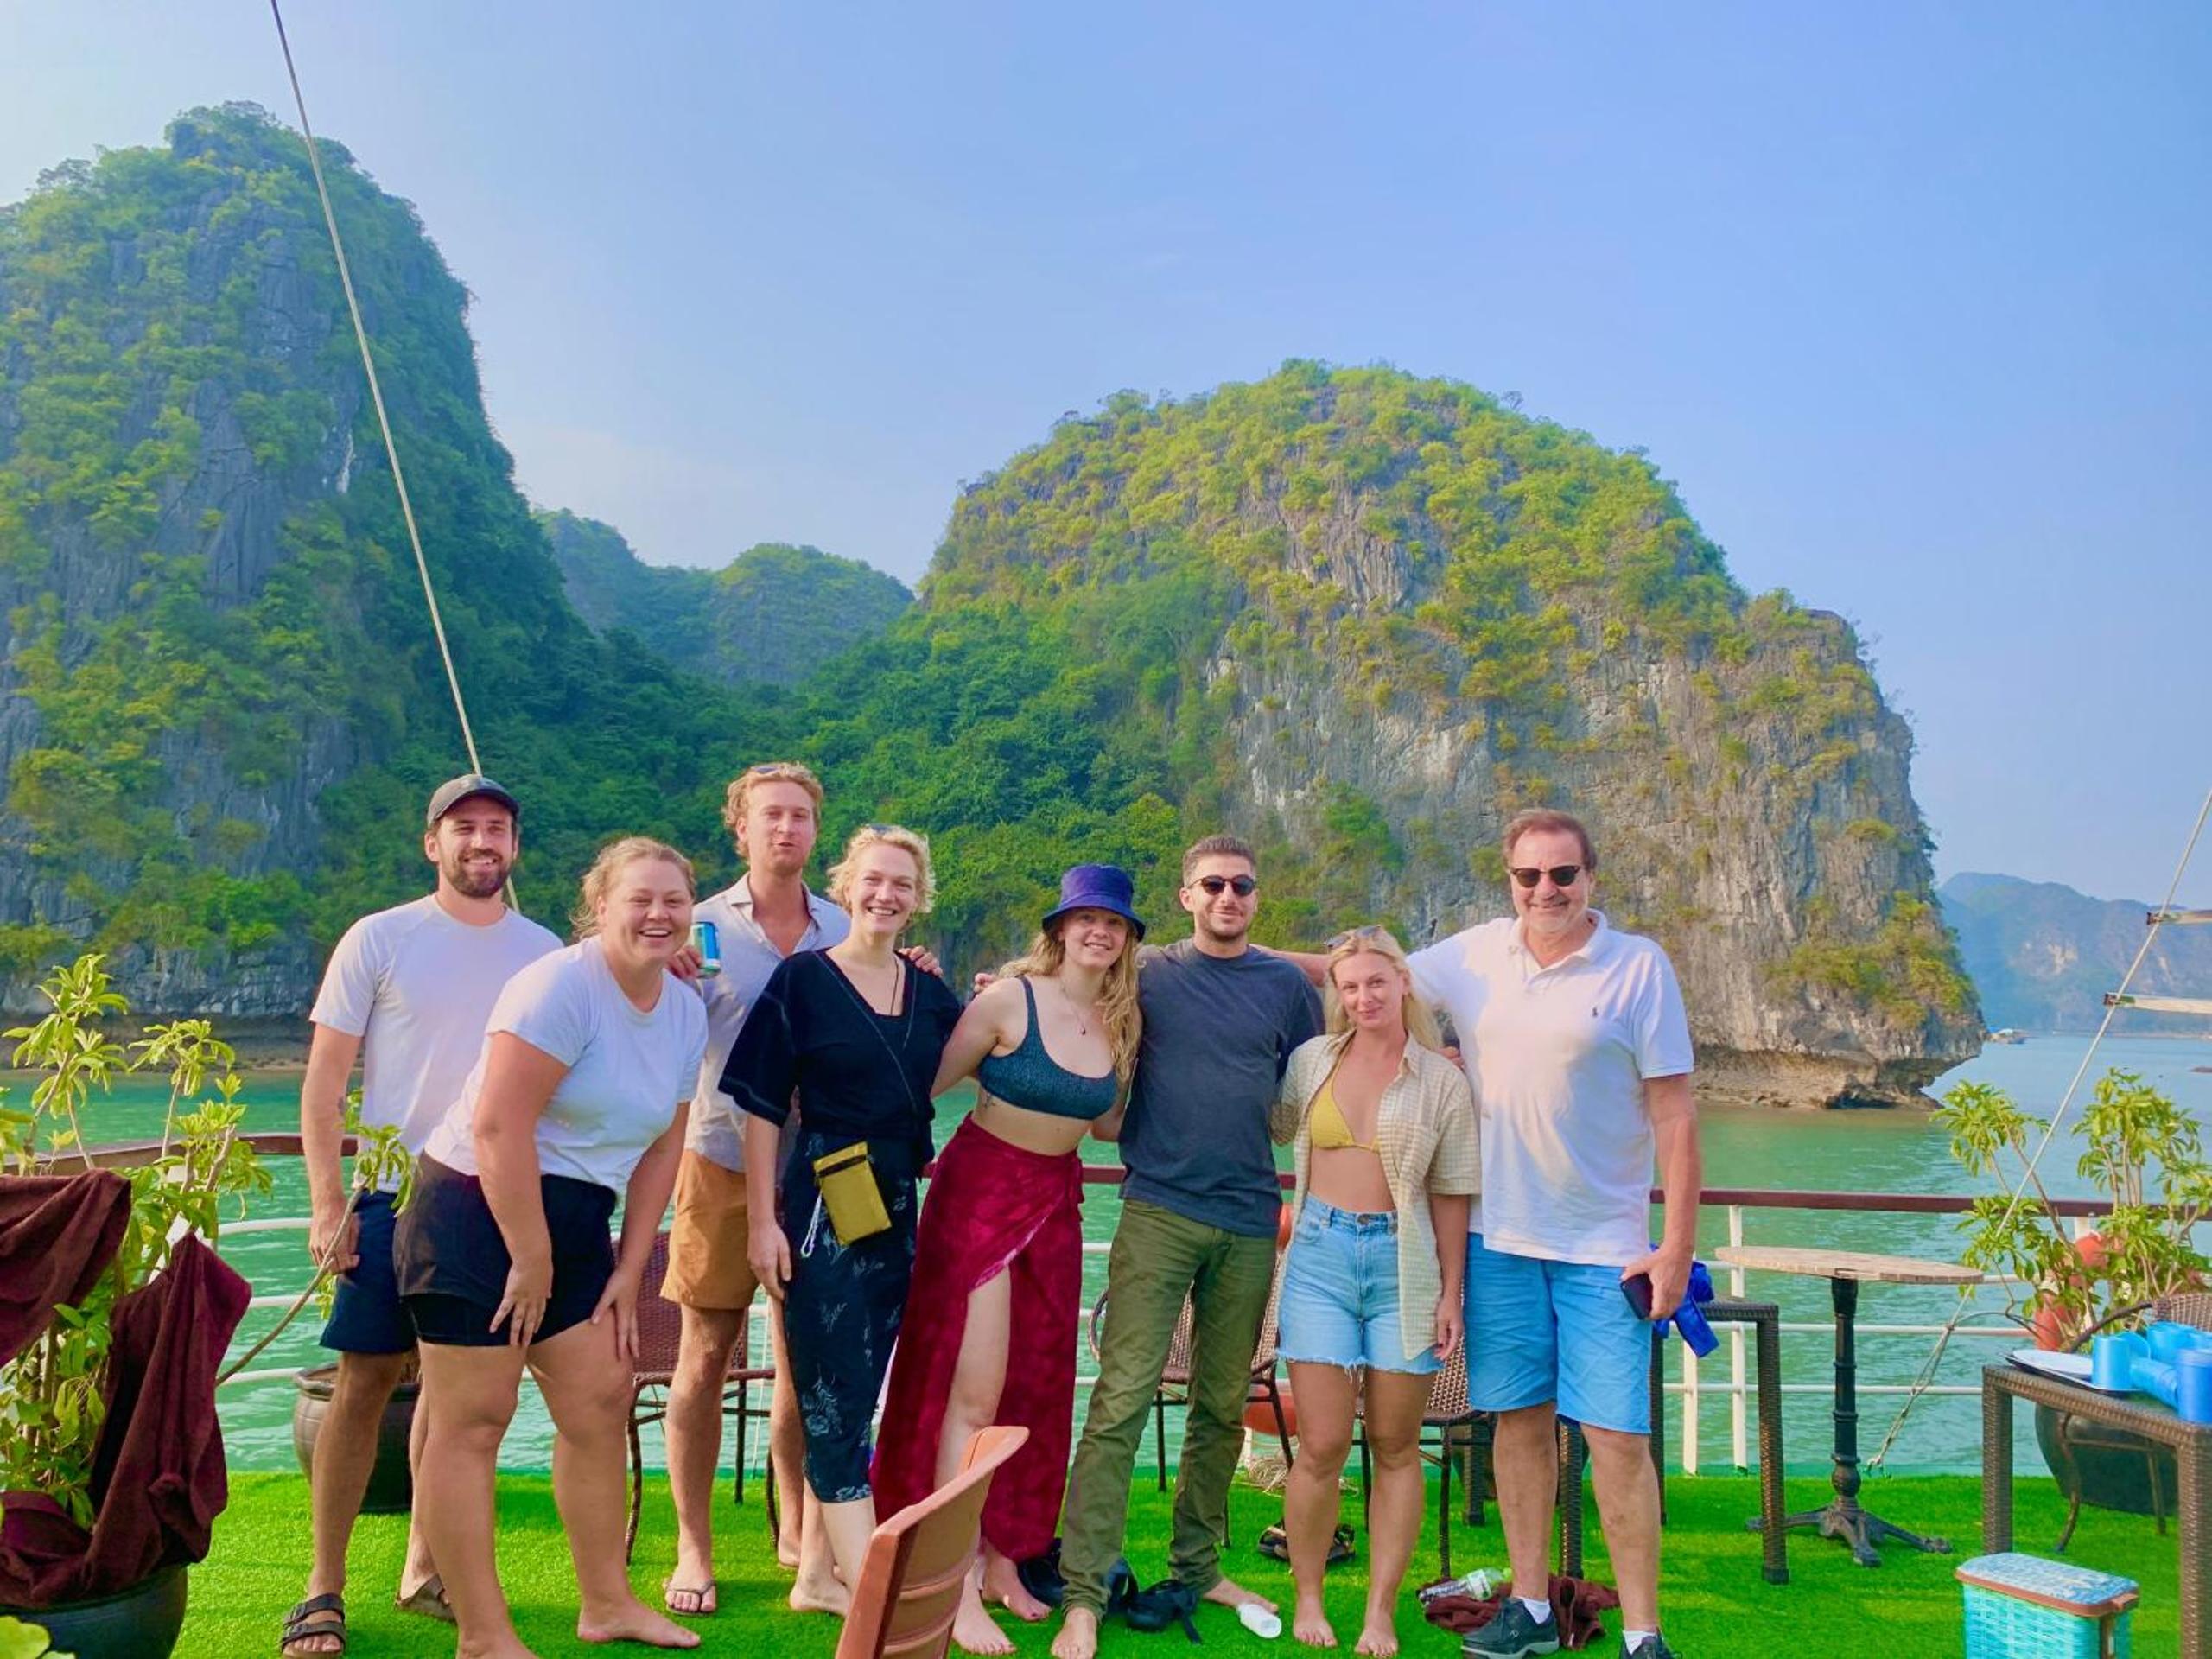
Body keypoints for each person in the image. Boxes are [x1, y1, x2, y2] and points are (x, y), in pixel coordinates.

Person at [393, 836, 709, 1659]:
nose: (658, 915)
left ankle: (607, 1603)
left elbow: (664, 1150)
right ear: (599, 907)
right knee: (474, 1421)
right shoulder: (559, 987)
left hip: (576, 1220)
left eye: (674, 900)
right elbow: (498, 1127)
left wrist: (629, 1266)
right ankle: (484, 1635)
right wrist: (529, 1260)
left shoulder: (685, 1010)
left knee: (599, 1403)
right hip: (473, 1211)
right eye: (639, 899)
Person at [1407, 809, 1699, 1659]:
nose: (1546, 890)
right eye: (1529, 876)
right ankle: (1529, 1606)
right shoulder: (1474, 955)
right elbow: (1365, 978)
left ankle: (1643, 1633)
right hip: (1497, 1239)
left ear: (1590, 878)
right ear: (1509, 882)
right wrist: (1219, 950)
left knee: (1616, 1439)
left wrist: (1676, 1247)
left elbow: (1675, 1115)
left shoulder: (1638, 966)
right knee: (1519, 1424)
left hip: (1606, 1249)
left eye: (1563, 874)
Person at [282, 774, 561, 1659]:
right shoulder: (380, 938)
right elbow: (325, 1084)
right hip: (391, 1192)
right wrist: (328, 1202)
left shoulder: (545, 953)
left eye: (498, 828)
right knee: (362, 1383)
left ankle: (424, 1569)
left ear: (514, 847)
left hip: (491, 1198)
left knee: (460, 1394)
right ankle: (322, 1585)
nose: (482, 842)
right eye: (464, 827)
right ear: (432, 843)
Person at [1053, 835, 1323, 1659]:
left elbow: (1317, 1083)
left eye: (1242, 885)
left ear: (1256, 896)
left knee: (1220, 1405)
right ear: (1186, 896)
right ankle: (1084, 1590)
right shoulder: (1148, 973)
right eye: (1212, 885)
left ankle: (1198, 1567)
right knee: (1120, 1401)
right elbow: (1066, 989)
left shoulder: (1285, 988)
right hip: (1158, 1210)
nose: (1227, 897)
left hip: (1249, 1218)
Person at [874, 864, 1145, 1656]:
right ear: (1060, 927)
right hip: (980, 1197)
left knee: (1037, 1387)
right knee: (975, 1391)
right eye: (1086, 918)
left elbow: (1105, 1127)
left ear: (1127, 939)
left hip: (1057, 1204)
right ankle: (951, 1581)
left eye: (1115, 923)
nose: (1099, 932)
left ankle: (1003, 1559)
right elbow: (922, 1083)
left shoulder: (1121, 1021)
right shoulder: (1007, 1001)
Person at [722, 823, 964, 1616]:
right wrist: (763, 1222)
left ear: (919, 899)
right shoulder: (803, 980)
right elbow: (760, 1106)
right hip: (823, 1199)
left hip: (896, 1204)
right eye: (873, 880)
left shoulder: (927, 993)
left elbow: (983, 1050)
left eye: (902, 884)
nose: (885, 895)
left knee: (860, 1389)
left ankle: (815, 1577)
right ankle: (870, 1592)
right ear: (846, 886)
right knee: (829, 1389)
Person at [661, 761, 847, 1616]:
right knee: (703, 1356)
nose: (785, 829)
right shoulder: (695, 926)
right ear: (740, 827)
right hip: (721, 1160)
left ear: (816, 830)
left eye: (799, 816)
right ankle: (693, 1547)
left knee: (806, 1355)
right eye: (769, 815)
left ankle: (798, 1529)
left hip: (824, 1167)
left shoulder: (845, 924)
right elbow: (657, 1026)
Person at [1268, 926, 1478, 1658]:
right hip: (1318, 1258)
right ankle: (1308, 1595)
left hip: (1403, 1265)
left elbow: (1451, 1192)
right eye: (1349, 986)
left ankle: (1380, 1611)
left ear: (1403, 983)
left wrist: (1451, 1293)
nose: (1364, 998)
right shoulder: (1311, 1061)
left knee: (1394, 1445)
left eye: (1376, 983)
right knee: (1322, 1443)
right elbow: (1267, 1122)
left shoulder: (1441, 1080)